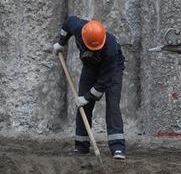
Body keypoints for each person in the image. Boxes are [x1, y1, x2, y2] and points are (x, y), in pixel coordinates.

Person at [53, 17, 126, 159]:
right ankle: (81, 146)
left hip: (112, 70)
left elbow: (104, 82)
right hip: (90, 66)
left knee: (112, 105)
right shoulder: (78, 27)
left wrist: (87, 97)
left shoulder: (111, 49)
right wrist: (61, 43)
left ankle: (118, 147)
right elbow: (66, 23)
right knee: (83, 108)